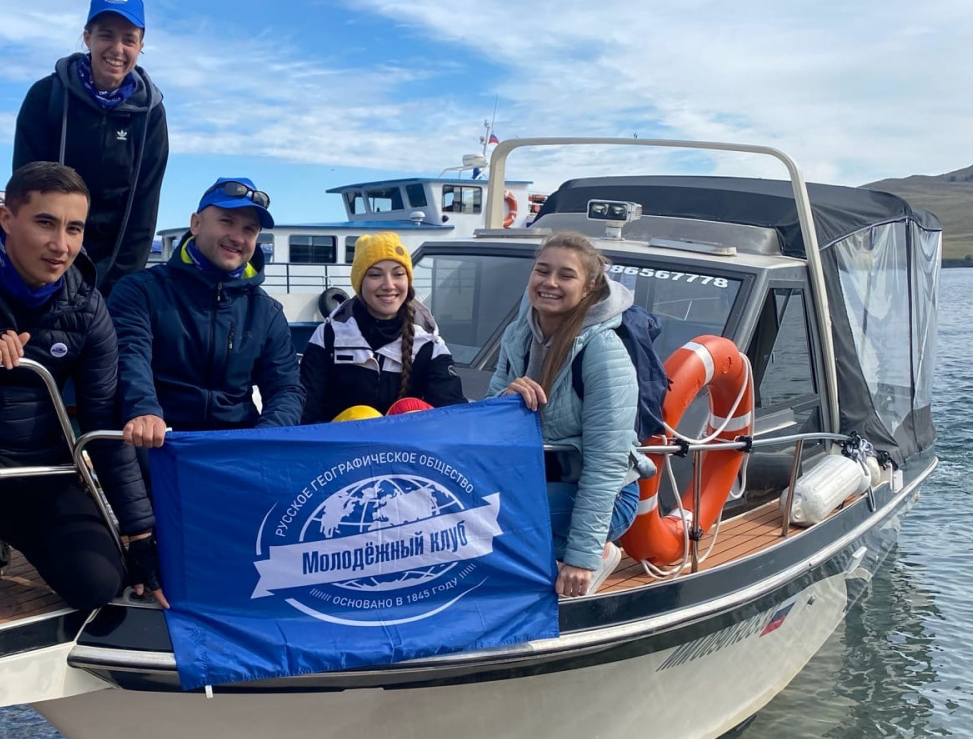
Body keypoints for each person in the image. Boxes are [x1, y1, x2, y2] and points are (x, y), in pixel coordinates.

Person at [0, 161, 163, 622]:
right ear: (7, 219)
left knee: (99, 584)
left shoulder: (86, 307)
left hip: (36, 466)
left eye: (74, 229)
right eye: (45, 223)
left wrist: (139, 534)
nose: (60, 245)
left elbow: (103, 418)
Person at [488, 232, 645, 598]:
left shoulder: (604, 351)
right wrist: (503, 400)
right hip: (536, 480)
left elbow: (606, 465)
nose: (550, 282)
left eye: (566, 275)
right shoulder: (518, 335)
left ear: (590, 287)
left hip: (602, 496)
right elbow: (487, 419)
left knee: (493, 522)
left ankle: (597, 554)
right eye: (542, 271)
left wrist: (581, 557)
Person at [110, 176, 303, 449]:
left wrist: (265, 438)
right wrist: (145, 410)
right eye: (226, 221)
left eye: (249, 229)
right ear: (196, 223)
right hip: (159, 444)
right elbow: (131, 356)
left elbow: (286, 388)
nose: (237, 237)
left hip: (238, 449)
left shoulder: (267, 312)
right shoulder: (140, 291)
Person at [12, 0, 169, 295]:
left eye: (129, 39)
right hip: (47, 260)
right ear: (87, 37)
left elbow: (144, 208)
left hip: (113, 275)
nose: (117, 48)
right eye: (106, 35)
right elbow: (23, 192)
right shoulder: (45, 96)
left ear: (140, 46)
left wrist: (119, 284)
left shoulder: (151, 114)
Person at [298, 232, 466, 423]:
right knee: (361, 416)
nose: (388, 285)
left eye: (398, 274)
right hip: (339, 449)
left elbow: (453, 412)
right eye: (375, 274)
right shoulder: (328, 336)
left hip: (403, 451)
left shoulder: (429, 344)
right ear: (360, 283)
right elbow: (305, 411)